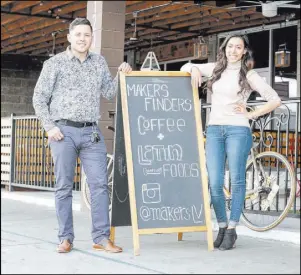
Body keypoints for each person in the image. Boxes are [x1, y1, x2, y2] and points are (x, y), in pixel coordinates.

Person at [33, 18, 132, 253]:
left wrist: (121, 74)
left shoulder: (98, 62)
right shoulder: (54, 64)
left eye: (86, 35)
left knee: (99, 185)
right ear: (69, 37)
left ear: (91, 38)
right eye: (78, 34)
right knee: (64, 186)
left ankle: (101, 237)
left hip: (91, 132)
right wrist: (49, 126)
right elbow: (39, 97)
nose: (82, 38)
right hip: (62, 132)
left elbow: (109, 91)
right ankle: (65, 237)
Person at [181, 34, 281, 250]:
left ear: (244, 51)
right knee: (215, 182)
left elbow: (275, 99)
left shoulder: (249, 74)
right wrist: (196, 69)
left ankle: (232, 228)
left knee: (236, 181)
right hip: (215, 130)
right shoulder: (216, 68)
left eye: (238, 47)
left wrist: (252, 113)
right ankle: (222, 225)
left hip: (238, 129)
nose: (233, 51)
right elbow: (185, 67)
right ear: (224, 48)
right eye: (230, 46)